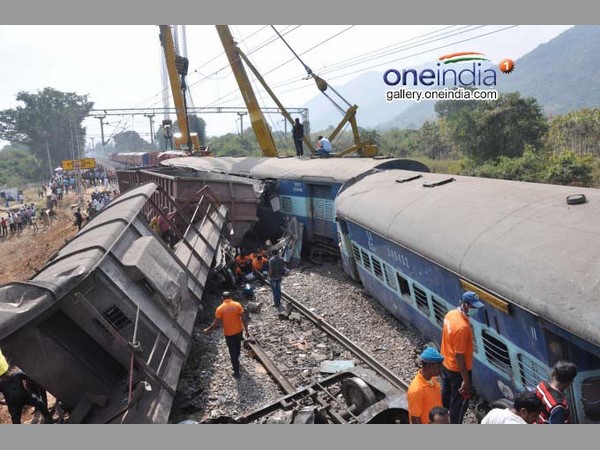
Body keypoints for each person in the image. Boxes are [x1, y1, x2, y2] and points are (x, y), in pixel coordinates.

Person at [440, 290, 485, 424]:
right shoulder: (463, 327)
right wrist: (465, 380)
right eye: (473, 307)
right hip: (457, 371)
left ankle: (442, 420)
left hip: (446, 364)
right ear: (465, 305)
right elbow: (459, 355)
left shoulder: (450, 314)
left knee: (446, 395)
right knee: (459, 403)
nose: (476, 310)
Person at [202, 292, 251, 378]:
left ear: (222, 298)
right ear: (230, 297)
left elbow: (215, 323)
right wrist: (247, 330)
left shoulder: (220, 308)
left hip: (229, 334)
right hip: (239, 331)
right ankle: (237, 358)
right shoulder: (237, 305)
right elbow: (244, 318)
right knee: (237, 346)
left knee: (232, 352)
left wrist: (208, 330)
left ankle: (236, 372)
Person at [407, 346, 445, 424]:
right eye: (439, 366)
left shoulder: (433, 380)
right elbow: (415, 418)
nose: (441, 368)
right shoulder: (417, 390)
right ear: (429, 366)